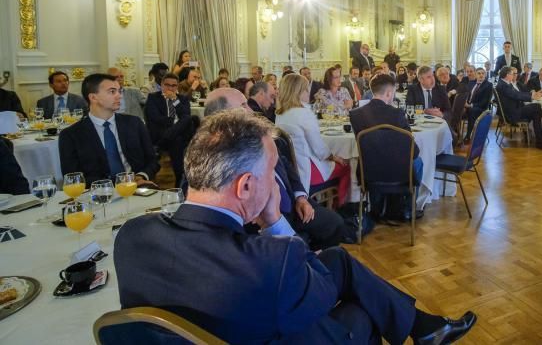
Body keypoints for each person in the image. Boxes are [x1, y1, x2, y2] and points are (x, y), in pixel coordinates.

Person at [114, 109, 476, 343]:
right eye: (272, 172)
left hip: (232, 321)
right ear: (245, 186)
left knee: (338, 258)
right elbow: (313, 284)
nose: (278, 180)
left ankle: (423, 327)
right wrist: (273, 220)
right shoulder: (272, 259)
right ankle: (414, 326)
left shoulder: (132, 237)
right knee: (363, 311)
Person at [203, 88, 346, 250]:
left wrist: (300, 197)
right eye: (243, 106)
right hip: (263, 219)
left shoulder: (258, 136)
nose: (250, 111)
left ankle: (315, 262)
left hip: (292, 203)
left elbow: (286, 165)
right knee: (297, 247)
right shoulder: (212, 156)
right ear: (223, 116)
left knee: (335, 224)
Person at [58, 74, 159, 185]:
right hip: (97, 194)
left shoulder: (134, 123)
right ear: (93, 97)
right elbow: (73, 177)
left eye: (119, 91)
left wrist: (140, 176)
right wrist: (116, 183)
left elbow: (152, 160)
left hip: (136, 188)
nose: (119, 96)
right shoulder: (71, 135)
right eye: (112, 92)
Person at [349, 74, 423, 221]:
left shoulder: (355, 114)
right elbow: (413, 151)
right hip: (398, 174)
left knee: (376, 159)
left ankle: (378, 207)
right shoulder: (397, 114)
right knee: (418, 161)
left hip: (368, 172)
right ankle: (407, 208)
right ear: (389, 93)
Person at [275, 74, 351, 201]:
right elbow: (319, 149)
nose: (308, 92)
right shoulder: (303, 112)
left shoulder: (280, 113)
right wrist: (334, 157)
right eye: (306, 89)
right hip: (309, 171)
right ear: (299, 92)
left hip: (291, 170)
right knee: (347, 166)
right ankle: (343, 209)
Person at [144, 73, 196, 186]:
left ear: (177, 86)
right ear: (162, 85)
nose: (170, 88)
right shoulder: (153, 98)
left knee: (188, 121)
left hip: (174, 135)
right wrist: (174, 122)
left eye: (173, 85)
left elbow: (185, 115)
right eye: (167, 85)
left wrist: (174, 100)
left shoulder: (182, 99)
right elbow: (155, 118)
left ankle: (179, 178)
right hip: (160, 132)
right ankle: (179, 180)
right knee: (179, 136)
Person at [496, 66, 542, 149]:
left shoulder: (505, 83)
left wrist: (533, 95)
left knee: (536, 113)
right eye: (512, 74)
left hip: (514, 110)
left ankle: (539, 140)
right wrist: (532, 97)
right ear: (507, 75)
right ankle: (540, 137)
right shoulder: (503, 85)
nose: (514, 76)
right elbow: (516, 95)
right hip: (511, 114)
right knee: (537, 107)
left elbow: (518, 93)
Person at [464, 68, 493, 142]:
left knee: (472, 111)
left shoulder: (488, 85)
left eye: (483, 73)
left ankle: (468, 135)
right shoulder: (471, 83)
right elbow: (466, 94)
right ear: (476, 75)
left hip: (480, 108)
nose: (481, 75)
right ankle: (455, 135)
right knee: (455, 110)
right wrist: (464, 102)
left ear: (485, 75)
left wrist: (470, 105)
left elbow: (485, 102)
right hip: (467, 106)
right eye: (479, 73)